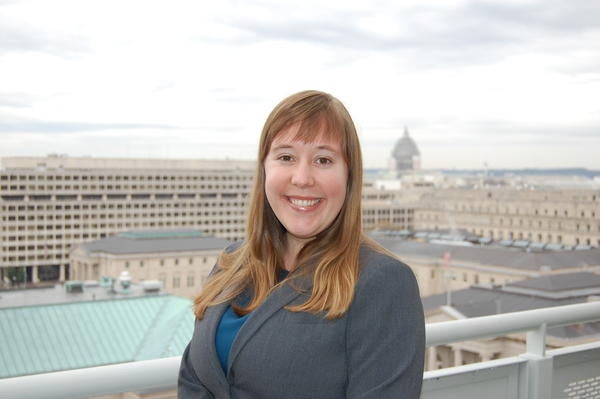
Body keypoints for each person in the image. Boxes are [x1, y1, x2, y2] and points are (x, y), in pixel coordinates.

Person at [178, 90, 425, 399]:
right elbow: (193, 379)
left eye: (323, 160)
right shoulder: (230, 263)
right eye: (286, 157)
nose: (302, 177)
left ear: (349, 176)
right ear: (265, 168)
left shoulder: (383, 283)